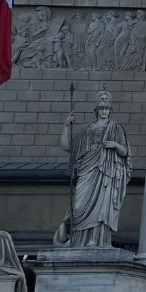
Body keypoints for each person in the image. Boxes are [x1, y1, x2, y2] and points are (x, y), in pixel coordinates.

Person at [55, 87, 131, 248]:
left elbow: (124, 152)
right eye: (101, 108)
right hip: (87, 169)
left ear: (110, 110)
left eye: (107, 108)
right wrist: (66, 126)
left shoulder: (116, 128)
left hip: (106, 172)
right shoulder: (86, 129)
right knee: (79, 205)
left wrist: (115, 145)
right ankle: (78, 240)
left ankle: (95, 240)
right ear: (96, 110)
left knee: (102, 206)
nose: (104, 111)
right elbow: (66, 146)